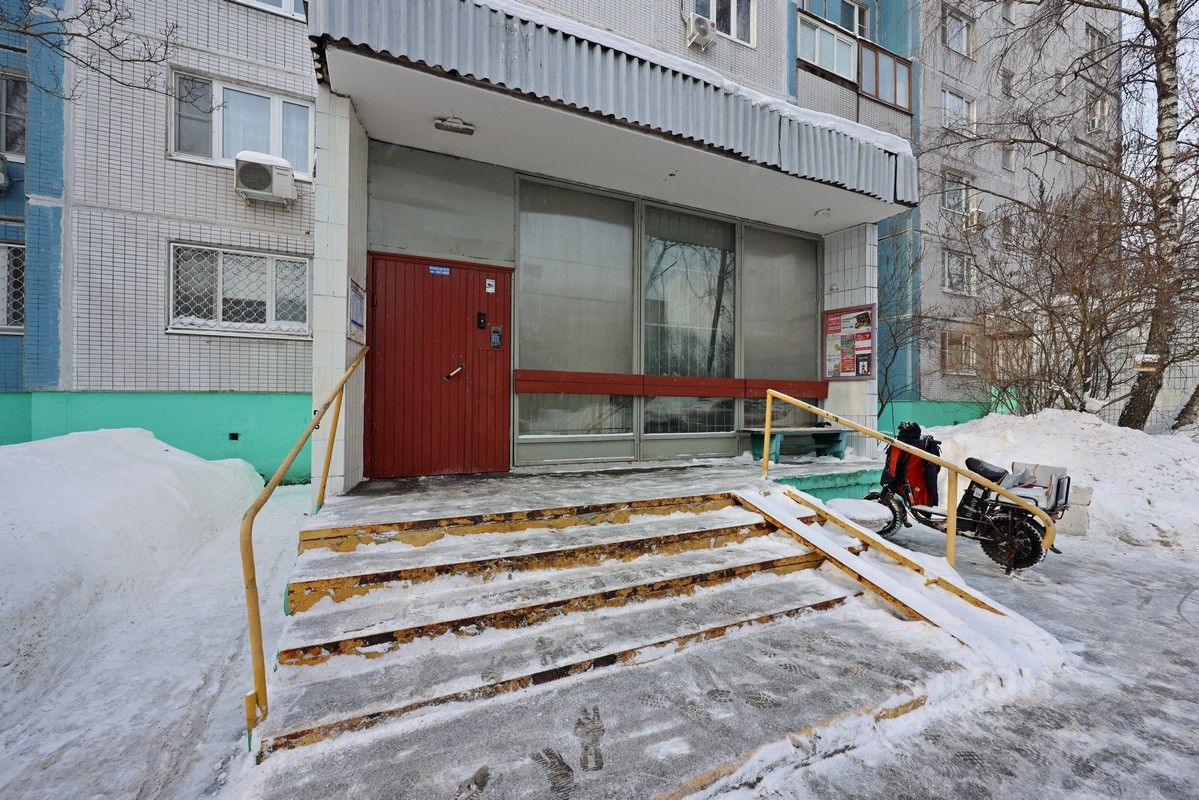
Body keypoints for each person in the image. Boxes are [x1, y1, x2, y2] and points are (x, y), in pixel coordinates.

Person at [881, 421, 941, 507]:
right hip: (921, 492)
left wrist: (887, 480)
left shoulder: (901, 446)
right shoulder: (922, 446)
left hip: (908, 484)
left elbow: (891, 468)